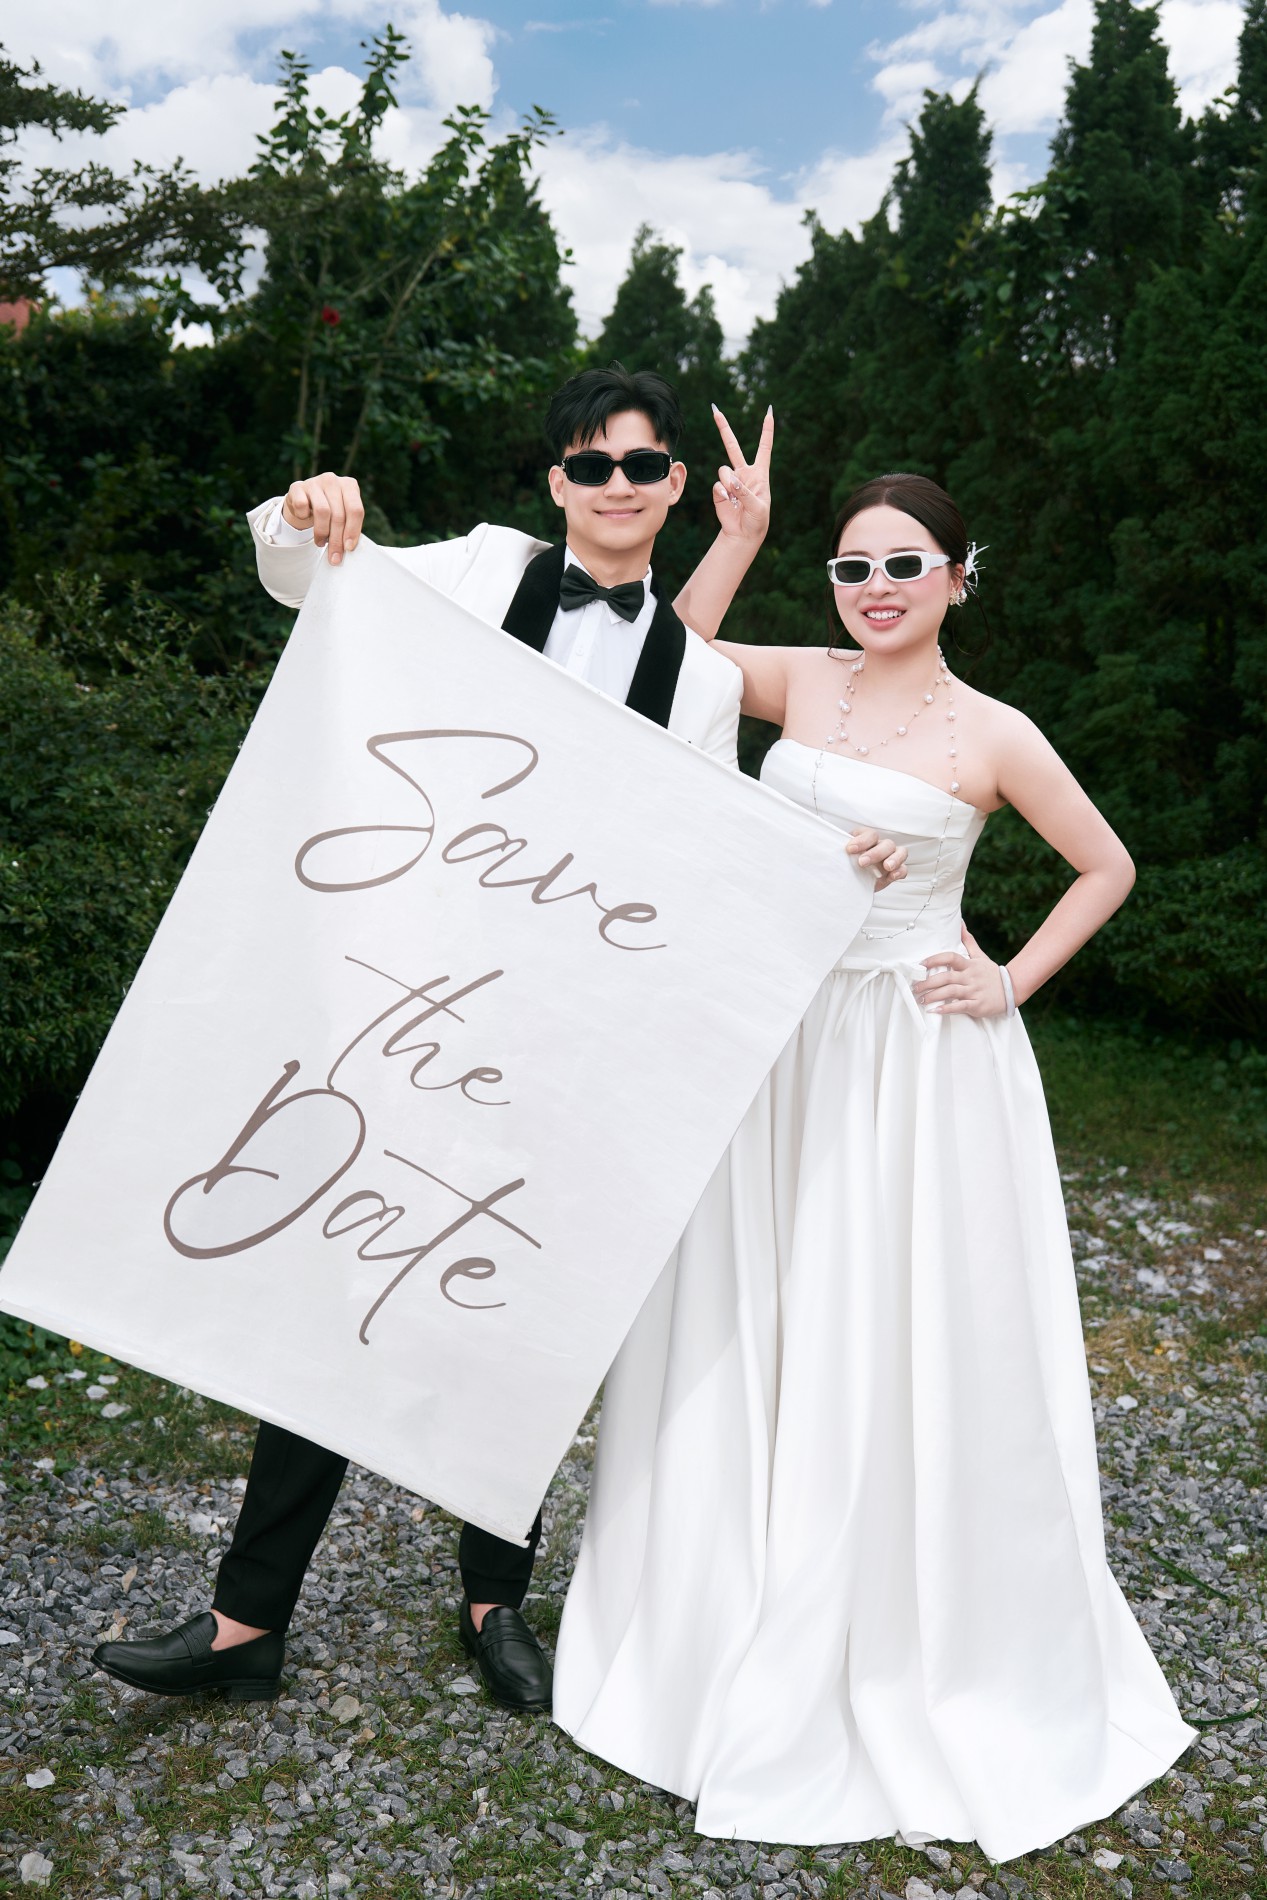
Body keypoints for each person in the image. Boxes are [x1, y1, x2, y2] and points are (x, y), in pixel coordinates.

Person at [90, 367, 909, 1715]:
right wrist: (306, 509)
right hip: (408, 993)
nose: (616, 487)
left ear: (672, 487)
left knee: (518, 1298)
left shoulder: (702, 679)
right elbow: (310, 582)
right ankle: (246, 1622)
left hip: (564, 1028)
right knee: (338, 1271)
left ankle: (495, 1600)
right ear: (555, 484)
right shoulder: (481, 567)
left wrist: (837, 861)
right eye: (591, 465)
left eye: (641, 466)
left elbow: (709, 851)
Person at [552, 471, 1196, 1860]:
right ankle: (723, 1596)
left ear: (960, 574)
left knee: (877, 1312)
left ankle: (888, 1608)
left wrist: (1007, 979)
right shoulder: (805, 679)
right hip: (776, 1031)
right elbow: (669, 652)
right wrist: (737, 539)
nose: (877, 588)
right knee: (754, 1304)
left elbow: (1107, 867)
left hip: (907, 1054)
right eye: (853, 568)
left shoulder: (995, 732)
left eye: (905, 563)